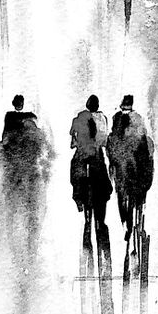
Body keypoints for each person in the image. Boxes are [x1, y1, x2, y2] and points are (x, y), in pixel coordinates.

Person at [1, 94, 52, 245]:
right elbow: (44, 146)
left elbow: (5, 140)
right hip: (32, 169)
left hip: (17, 167)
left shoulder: (9, 118)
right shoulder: (33, 119)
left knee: (12, 195)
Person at [107, 94, 154, 242]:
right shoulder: (138, 118)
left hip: (120, 160)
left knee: (120, 191)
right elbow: (144, 140)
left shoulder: (116, 118)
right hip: (135, 159)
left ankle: (126, 223)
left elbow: (112, 140)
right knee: (146, 168)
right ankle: (140, 202)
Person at [70, 94, 112, 237]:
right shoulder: (102, 118)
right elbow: (105, 141)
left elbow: (72, 139)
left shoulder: (79, 118)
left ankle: (78, 197)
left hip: (82, 154)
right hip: (96, 154)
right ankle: (106, 192)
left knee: (74, 169)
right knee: (104, 179)